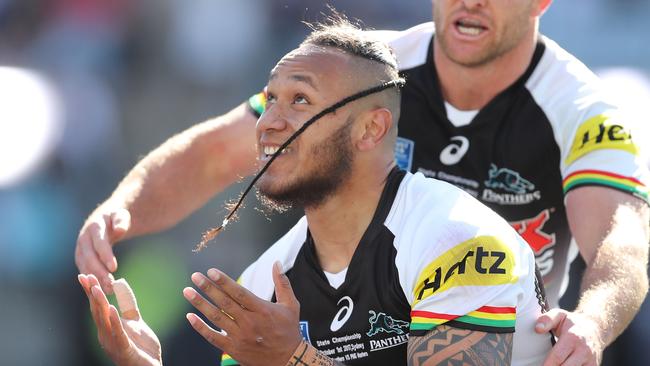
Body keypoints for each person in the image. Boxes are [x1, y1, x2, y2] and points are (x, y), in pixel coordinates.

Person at [76, 1, 650, 364]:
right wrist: (120, 209)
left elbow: (622, 240)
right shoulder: (367, 68)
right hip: (369, 313)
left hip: (511, 324)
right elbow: (218, 150)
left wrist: (593, 324)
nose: (469, 2)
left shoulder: (581, 110)